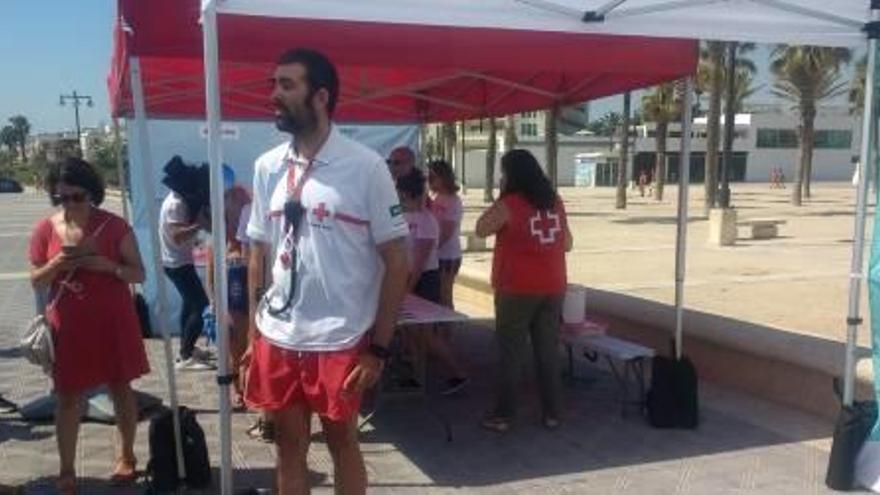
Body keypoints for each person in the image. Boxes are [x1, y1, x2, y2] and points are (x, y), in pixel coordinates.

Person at [244, 48, 409, 494]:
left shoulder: (366, 166)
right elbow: (257, 251)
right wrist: (252, 334)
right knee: (287, 445)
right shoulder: (267, 167)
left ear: (320, 96)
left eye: (286, 85)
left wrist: (380, 347)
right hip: (279, 335)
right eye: (273, 84)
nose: (274, 95)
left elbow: (399, 260)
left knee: (342, 443)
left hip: (341, 337)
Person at [28, 157, 149, 493]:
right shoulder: (45, 230)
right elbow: (36, 280)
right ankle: (66, 469)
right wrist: (57, 262)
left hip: (113, 321)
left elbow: (139, 273)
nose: (70, 204)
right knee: (67, 397)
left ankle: (127, 456)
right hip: (69, 327)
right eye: (62, 197)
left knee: (120, 389)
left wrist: (105, 265)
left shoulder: (114, 227)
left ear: (92, 193)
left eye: (77, 196)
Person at [475, 149, 573, 433]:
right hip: (553, 286)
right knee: (547, 351)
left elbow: (481, 229)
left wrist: (502, 197)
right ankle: (553, 413)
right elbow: (567, 244)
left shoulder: (509, 204)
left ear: (512, 176)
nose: (501, 178)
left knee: (510, 353)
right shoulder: (555, 202)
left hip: (516, 288)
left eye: (503, 173)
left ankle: (503, 415)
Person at [398, 169, 468, 395]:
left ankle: (457, 373)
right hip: (407, 277)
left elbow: (420, 261)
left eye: (403, 195)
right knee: (410, 333)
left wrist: (406, 289)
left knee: (426, 334)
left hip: (425, 279)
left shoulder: (427, 221)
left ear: (411, 195)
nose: (400, 199)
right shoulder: (400, 216)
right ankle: (417, 376)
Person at [159, 165, 220, 371]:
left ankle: (187, 349)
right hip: (177, 264)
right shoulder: (176, 204)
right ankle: (186, 356)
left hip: (178, 261)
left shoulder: (178, 199)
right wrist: (200, 224)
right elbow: (177, 236)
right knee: (201, 305)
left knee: (189, 304)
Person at [205, 179, 252, 409]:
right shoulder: (218, 241)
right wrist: (214, 303)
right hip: (229, 304)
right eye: (232, 210)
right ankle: (237, 390)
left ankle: (249, 387)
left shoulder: (253, 239)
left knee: (249, 349)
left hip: (252, 302)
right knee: (234, 350)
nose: (236, 215)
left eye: (240, 208)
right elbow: (211, 276)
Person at [427, 160, 463, 313]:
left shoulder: (453, 201)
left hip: (448, 255)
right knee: (438, 296)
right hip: (438, 255)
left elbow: (447, 231)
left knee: (445, 296)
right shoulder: (437, 198)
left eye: (433, 177)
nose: (430, 180)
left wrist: (431, 250)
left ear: (443, 177)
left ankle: (448, 331)